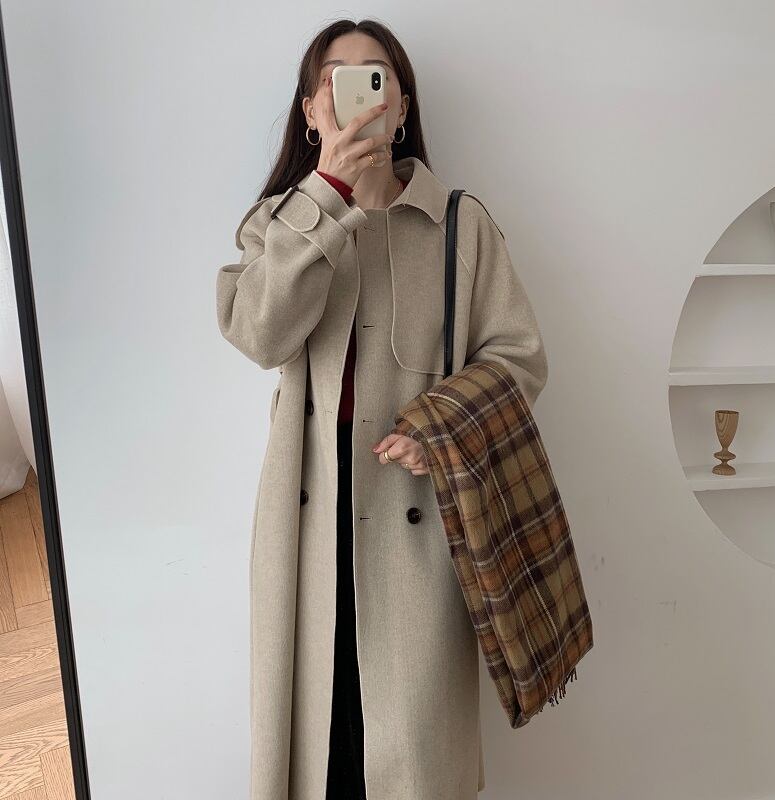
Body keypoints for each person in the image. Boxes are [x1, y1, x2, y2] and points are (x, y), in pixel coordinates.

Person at [216, 17, 548, 800]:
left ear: (401, 106)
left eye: (378, 76)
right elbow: (259, 335)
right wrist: (325, 195)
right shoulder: (279, 223)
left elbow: (519, 356)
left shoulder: (460, 225)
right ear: (312, 110)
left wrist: (445, 427)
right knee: (319, 755)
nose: (361, 93)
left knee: (410, 761)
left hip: (417, 533)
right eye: (339, 78)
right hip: (307, 532)